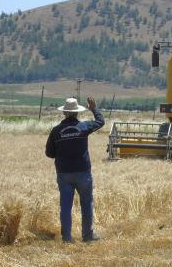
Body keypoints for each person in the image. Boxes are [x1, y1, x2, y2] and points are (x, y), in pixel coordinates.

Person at [45, 97, 105, 243]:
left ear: (64, 112)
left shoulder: (56, 131)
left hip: (63, 173)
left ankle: (66, 238)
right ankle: (87, 236)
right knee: (86, 203)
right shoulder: (84, 127)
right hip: (83, 171)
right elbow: (100, 122)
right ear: (77, 113)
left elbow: (49, 153)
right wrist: (94, 109)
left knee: (65, 206)